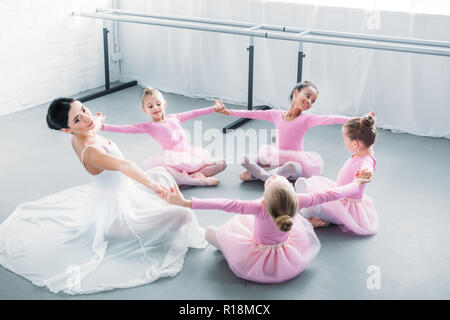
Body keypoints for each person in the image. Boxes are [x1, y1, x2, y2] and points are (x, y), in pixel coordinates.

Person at [0, 98, 207, 295]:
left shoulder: (80, 133)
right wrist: (152, 186)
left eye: (83, 109)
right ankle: (192, 186)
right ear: (66, 130)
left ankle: (193, 180)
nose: (86, 117)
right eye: (77, 119)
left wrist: (96, 120)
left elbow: (93, 126)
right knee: (182, 215)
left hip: (121, 194)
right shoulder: (91, 152)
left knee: (163, 173)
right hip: (117, 216)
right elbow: (126, 165)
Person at [164, 170, 371, 283]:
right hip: (287, 249)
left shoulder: (257, 207)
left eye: (273, 179)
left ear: (265, 196)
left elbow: (222, 203)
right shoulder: (298, 201)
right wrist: (356, 183)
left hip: (257, 253)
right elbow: (332, 194)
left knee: (211, 232)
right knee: (237, 226)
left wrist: (184, 202)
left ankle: (224, 246)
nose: (273, 176)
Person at [215, 81, 350, 182]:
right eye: (307, 95)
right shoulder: (276, 114)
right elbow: (252, 113)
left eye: (313, 101)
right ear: (296, 93)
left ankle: (259, 175)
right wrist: (227, 111)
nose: (309, 101)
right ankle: (267, 176)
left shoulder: (307, 119)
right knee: (243, 158)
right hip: (275, 157)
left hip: (294, 161)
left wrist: (357, 119)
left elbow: (331, 119)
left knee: (293, 167)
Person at [102, 86, 227, 187]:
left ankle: (190, 177)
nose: (155, 108)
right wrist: (104, 126)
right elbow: (126, 129)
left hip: (190, 156)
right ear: (144, 110)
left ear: (164, 104)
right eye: (150, 106)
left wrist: (213, 108)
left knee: (222, 163)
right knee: (166, 172)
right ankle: (198, 181)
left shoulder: (174, 117)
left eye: (158, 104)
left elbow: (194, 112)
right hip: (173, 161)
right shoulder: (148, 126)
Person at [295, 112, 378, 235]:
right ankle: (324, 217)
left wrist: (367, 172)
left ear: (355, 144)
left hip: (346, 204)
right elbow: (367, 140)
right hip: (339, 191)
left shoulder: (366, 160)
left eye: (345, 139)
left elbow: (368, 165)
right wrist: (364, 123)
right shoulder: (364, 150)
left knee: (315, 206)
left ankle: (324, 217)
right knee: (313, 184)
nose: (344, 142)